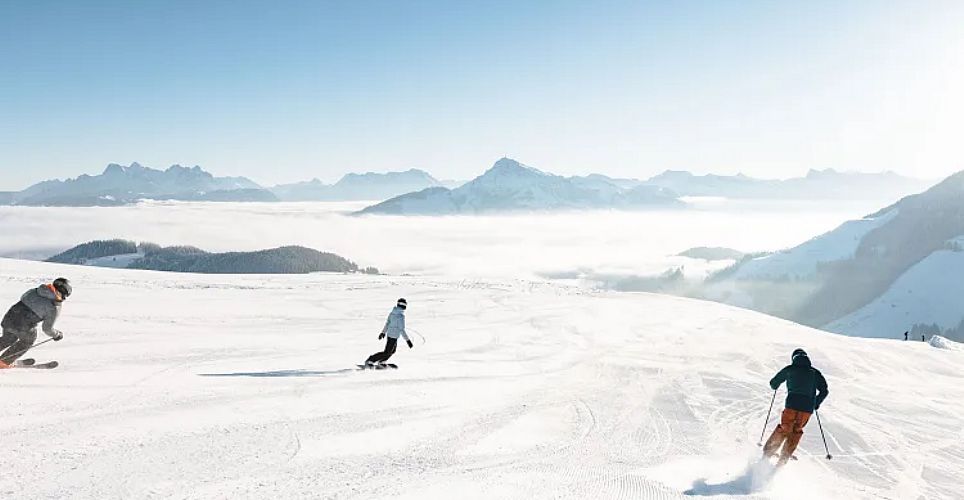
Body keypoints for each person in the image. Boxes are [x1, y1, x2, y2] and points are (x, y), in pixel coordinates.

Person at [763, 348, 829, 466]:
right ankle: (784, 458)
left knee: (785, 428)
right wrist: (816, 403)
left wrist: (776, 385)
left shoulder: (790, 369)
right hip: (807, 409)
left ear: (793, 358)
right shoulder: (814, 373)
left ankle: (768, 453)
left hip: (792, 405)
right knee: (796, 431)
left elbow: (773, 383)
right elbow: (824, 390)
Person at [0, 278, 71, 368]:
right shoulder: (54, 306)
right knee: (28, 340)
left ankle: (4, 360)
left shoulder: (37, 290)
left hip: (9, 318)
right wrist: (57, 335)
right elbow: (47, 329)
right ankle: (4, 361)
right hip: (23, 326)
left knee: (8, 338)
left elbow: (23, 297)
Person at [364, 298, 413, 367]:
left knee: (392, 351)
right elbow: (401, 330)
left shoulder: (392, 313)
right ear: (404, 306)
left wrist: (383, 332)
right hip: (393, 337)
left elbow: (387, 323)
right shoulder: (400, 316)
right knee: (387, 352)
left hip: (390, 335)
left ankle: (382, 361)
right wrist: (408, 340)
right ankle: (371, 359)